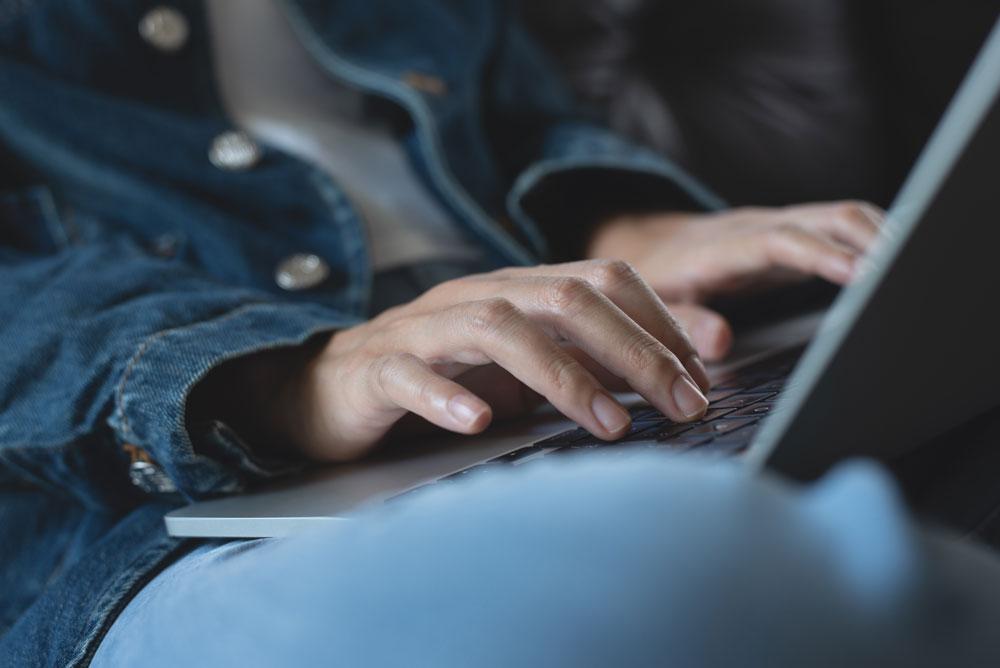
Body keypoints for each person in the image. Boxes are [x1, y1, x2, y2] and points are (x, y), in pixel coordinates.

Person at [2, 1, 999, 665]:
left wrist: (619, 225)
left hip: (532, 349)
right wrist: (282, 381)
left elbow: (513, 118)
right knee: (672, 565)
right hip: (161, 497)